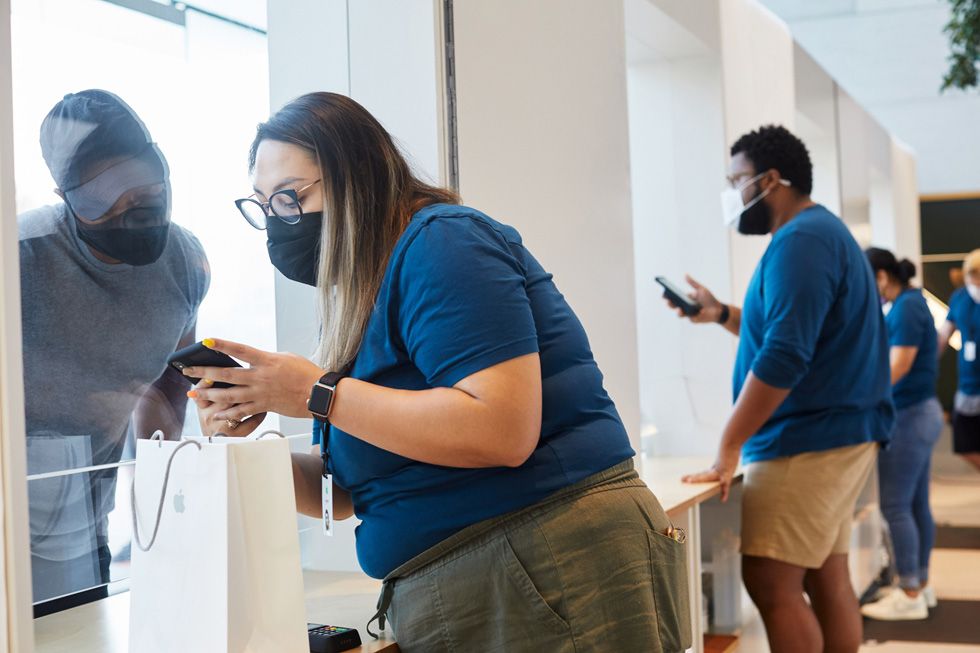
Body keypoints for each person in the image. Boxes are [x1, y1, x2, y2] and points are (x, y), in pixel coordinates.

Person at [184, 92, 691, 652]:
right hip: (492, 575)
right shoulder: (368, 296)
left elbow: (501, 429)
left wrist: (315, 393)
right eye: (262, 206)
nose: (278, 223)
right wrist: (244, 452)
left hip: (543, 558)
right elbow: (352, 491)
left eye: (288, 198)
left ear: (358, 180)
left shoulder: (443, 241)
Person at [671, 125, 894, 653]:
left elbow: (785, 354)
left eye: (738, 180)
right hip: (835, 431)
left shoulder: (802, 241)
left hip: (807, 437)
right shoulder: (817, 235)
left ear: (771, 180)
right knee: (826, 576)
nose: (734, 193)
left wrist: (728, 446)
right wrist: (721, 313)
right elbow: (791, 333)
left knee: (772, 582)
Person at [19, 90, 209, 610]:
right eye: (110, 194)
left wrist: (162, 497)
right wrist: (83, 404)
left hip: (84, 536)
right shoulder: (20, 259)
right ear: (66, 195)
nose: (135, 206)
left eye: (144, 184)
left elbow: (171, 381)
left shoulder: (184, 261)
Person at [858, 248, 941, 621]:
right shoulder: (913, 301)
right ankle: (919, 585)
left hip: (909, 416)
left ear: (880, 277)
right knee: (915, 504)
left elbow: (901, 363)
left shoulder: (906, 306)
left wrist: (859, 397)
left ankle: (908, 590)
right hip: (921, 412)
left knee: (896, 506)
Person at [938, 249, 980, 472]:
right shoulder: (961, 297)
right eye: (973, 279)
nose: (976, 284)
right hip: (968, 386)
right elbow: (945, 334)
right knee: (964, 444)